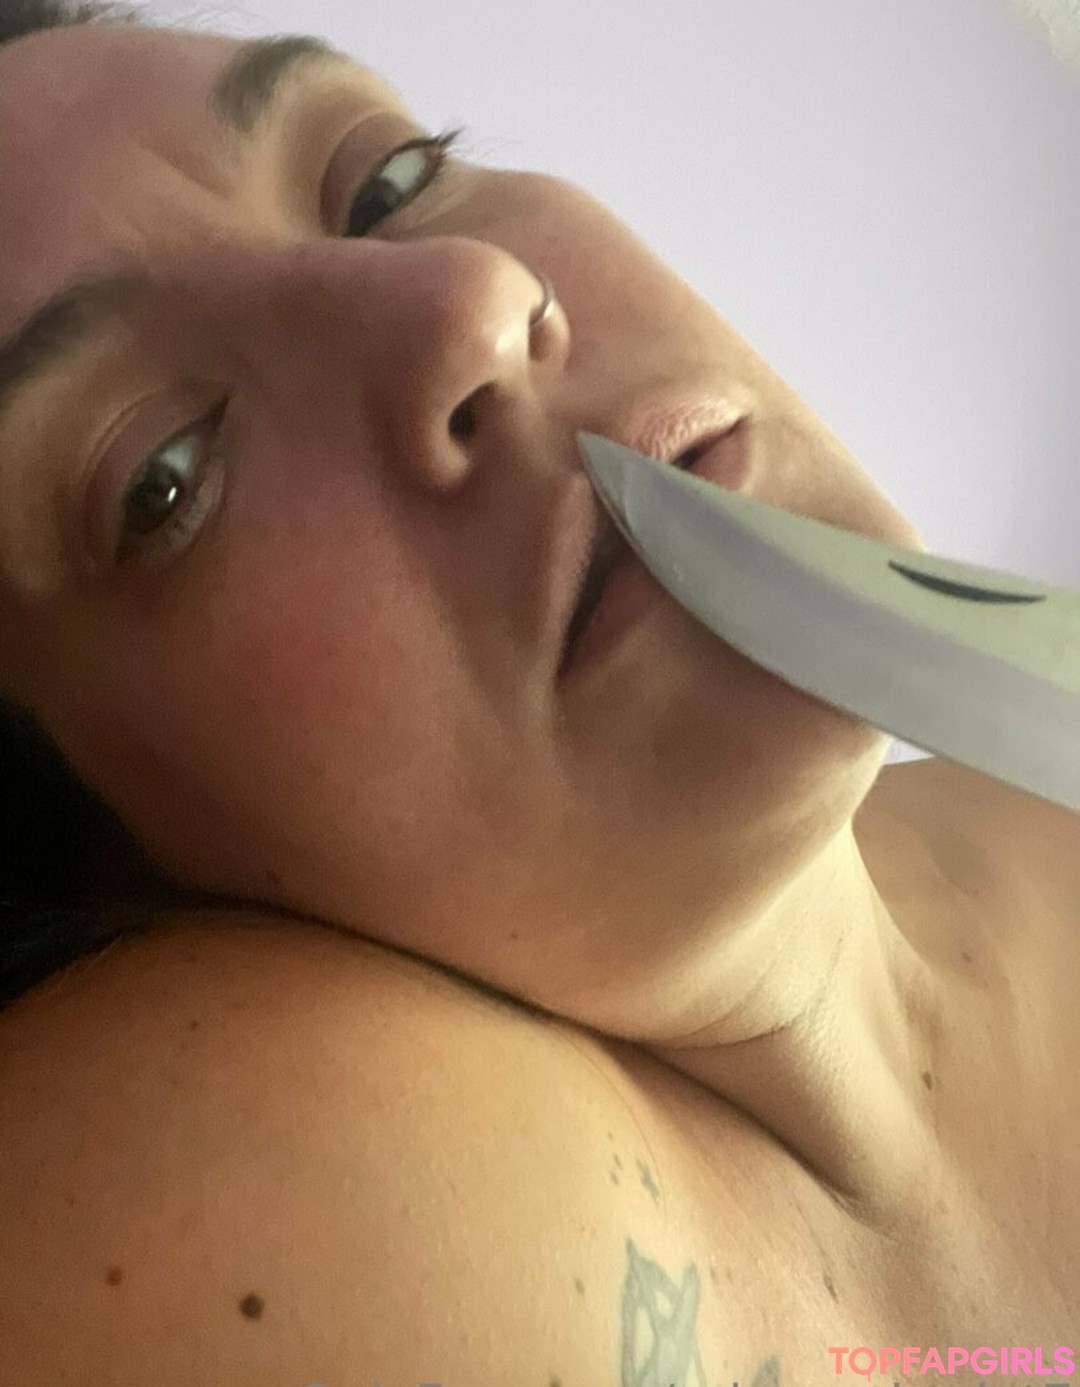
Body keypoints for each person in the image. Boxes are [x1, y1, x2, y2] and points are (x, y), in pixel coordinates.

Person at [0, 2, 1076, 1382]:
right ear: (118, 866)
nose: (471, 298)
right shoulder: (276, 1218)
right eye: (164, 478)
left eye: (387, 182)